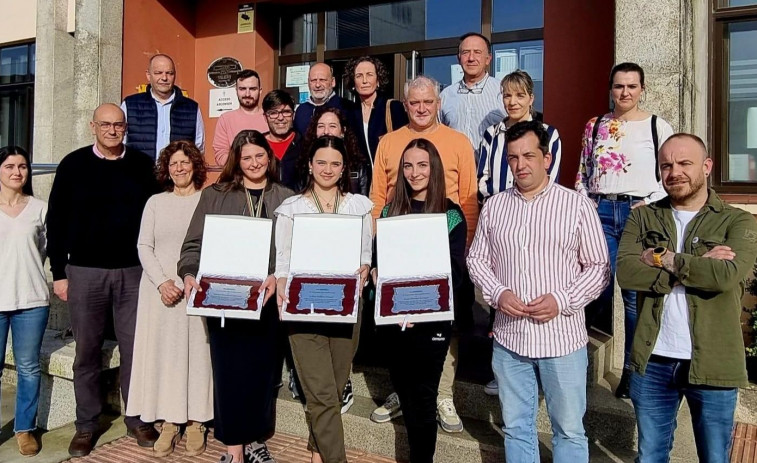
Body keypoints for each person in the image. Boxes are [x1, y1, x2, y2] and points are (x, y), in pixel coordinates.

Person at [467, 120, 610, 463]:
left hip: (560, 340)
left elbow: (599, 268)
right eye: (513, 157)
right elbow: (476, 261)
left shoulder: (576, 205)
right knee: (516, 427)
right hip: (509, 340)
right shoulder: (496, 206)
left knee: (569, 431)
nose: (520, 165)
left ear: (546, 158)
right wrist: (498, 293)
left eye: (528, 155)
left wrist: (562, 300)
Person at [616, 134, 757, 463]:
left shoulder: (736, 220)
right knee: (650, 455)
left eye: (684, 163)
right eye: (666, 165)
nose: (674, 171)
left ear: (707, 167)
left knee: (714, 457)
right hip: (653, 361)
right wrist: (698, 266)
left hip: (713, 364)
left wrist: (664, 258)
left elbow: (725, 276)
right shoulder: (643, 217)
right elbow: (626, 272)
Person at [46, 103, 161, 457]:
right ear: (93, 126)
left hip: (132, 272)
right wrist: (59, 274)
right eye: (106, 125)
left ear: (126, 128)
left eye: (119, 125)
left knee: (135, 349)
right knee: (87, 352)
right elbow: (56, 221)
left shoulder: (142, 165)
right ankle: (86, 424)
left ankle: (137, 417)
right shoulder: (73, 164)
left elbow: (156, 215)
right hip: (85, 272)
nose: (113, 130)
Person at [370, 75, 477, 433]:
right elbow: (378, 197)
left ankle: (441, 393)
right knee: (399, 323)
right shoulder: (388, 143)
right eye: (414, 102)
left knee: (445, 324)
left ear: (438, 103)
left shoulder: (458, 142)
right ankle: (403, 391)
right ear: (405, 104)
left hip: (447, 244)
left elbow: (468, 197)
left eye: (427, 102)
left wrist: (465, 250)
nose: (421, 108)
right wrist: (377, 250)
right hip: (397, 245)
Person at [179, 130, 294, 463]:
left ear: (269, 158)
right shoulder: (215, 195)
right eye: (247, 157)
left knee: (262, 373)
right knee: (228, 372)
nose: (255, 163)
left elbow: (292, 249)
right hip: (223, 299)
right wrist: (188, 274)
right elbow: (192, 245)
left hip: (268, 300)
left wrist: (277, 276)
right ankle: (233, 448)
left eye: (260, 156)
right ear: (236, 160)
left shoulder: (285, 197)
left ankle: (256, 439)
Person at [575, 62, 674, 398]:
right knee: (592, 289)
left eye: (632, 86)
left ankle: (633, 371)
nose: (625, 92)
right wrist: (584, 207)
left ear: (641, 88)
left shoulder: (658, 126)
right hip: (600, 211)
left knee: (632, 296)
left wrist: (651, 201)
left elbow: (672, 173)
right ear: (611, 88)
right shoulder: (596, 124)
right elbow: (583, 171)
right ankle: (579, 363)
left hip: (638, 215)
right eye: (619, 86)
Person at [274, 135, 372, 463]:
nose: (327, 169)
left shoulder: (360, 207)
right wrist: (283, 287)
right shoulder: (291, 209)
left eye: (335, 164)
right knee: (322, 394)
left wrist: (366, 268)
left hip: (346, 310)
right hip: (304, 308)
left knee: (334, 386)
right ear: (310, 166)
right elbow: (283, 260)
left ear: (344, 168)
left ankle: (317, 450)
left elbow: (365, 255)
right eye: (321, 163)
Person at [373, 138, 466, 463]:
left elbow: (453, 270)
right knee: (404, 387)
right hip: (395, 320)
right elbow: (379, 261)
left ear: (434, 168)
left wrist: (420, 304)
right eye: (408, 165)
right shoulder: (390, 210)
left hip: (432, 320)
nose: (414, 172)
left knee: (424, 397)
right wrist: (376, 277)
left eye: (422, 165)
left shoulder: (450, 214)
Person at [127, 141, 212, 457]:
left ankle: (195, 421)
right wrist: (163, 282)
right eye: (174, 163)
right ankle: (169, 422)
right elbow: (143, 246)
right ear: (166, 168)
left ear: (194, 166)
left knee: (197, 355)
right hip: (159, 291)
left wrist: (190, 280)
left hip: (195, 289)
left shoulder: (207, 199)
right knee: (164, 357)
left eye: (185, 162)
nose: (179, 168)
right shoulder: (155, 203)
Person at [0, 146, 48, 457]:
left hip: (31, 299)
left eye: (22, 166)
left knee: (29, 367)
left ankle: (24, 429)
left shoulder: (40, 209)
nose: (17, 172)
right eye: (9, 167)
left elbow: (44, 250)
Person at [478, 69, 561, 200]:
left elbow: (552, 178)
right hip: (498, 211)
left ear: (531, 98)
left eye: (520, 95)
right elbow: (482, 177)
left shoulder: (548, 134)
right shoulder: (491, 134)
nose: (512, 102)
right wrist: (494, 204)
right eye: (507, 96)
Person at [121, 54, 205, 160]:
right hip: (139, 174)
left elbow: (198, 148)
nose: (164, 78)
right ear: (148, 75)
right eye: (158, 73)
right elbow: (120, 143)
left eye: (169, 73)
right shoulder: (129, 105)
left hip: (176, 174)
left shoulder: (192, 108)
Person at [439, 32, 505, 159]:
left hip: (492, 174)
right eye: (465, 52)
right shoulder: (445, 96)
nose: (471, 58)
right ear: (458, 58)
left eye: (477, 52)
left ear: (488, 59)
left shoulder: (502, 92)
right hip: (454, 173)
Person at [343, 56, 408, 174]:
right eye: (359, 76)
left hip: (391, 181)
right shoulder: (349, 114)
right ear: (353, 82)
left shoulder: (393, 108)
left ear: (378, 80)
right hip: (363, 186)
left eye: (369, 75)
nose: (364, 80)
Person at [299, 107, 370, 196]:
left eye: (332, 126)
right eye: (321, 126)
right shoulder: (305, 162)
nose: (326, 131)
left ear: (343, 131)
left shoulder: (357, 164)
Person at [213, 69, 269, 167]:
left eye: (252, 89)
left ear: (260, 91)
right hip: (236, 178)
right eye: (242, 89)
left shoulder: (270, 118)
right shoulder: (226, 119)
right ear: (236, 90)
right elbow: (220, 154)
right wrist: (244, 165)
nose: (247, 94)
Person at [294, 63, 352, 136]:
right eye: (313, 80)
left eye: (322, 80)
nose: (317, 85)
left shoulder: (347, 108)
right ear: (308, 82)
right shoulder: (301, 110)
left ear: (333, 82)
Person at [263, 90, 301, 190]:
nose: (280, 118)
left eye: (286, 112)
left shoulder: (305, 145)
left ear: (293, 114)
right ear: (265, 117)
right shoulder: (258, 145)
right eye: (273, 113)